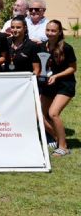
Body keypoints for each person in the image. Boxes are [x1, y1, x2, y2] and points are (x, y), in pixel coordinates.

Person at [37, 20, 76, 157]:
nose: (50, 33)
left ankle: (63, 147)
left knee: (53, 113)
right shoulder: (41, 46)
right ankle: (58, 138)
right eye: (48, 30)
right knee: (39, 114)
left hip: (64, 85)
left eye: (53, 31)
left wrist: (57, 76)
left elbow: (73, 68)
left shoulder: (66, 48)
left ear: (59, 32)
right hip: (47, 86)